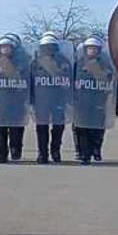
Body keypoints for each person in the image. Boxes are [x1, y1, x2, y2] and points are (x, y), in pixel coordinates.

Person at [31, 32, 73, 164]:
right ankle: (42, 153)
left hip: (58, 99)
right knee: (41, 127)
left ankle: (55, 151)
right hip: (41, 100)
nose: (48, 49)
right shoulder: (35, 63)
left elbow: (68, 80)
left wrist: (68, 98)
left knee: (58, 126)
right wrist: (31, 99)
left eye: (51, 46)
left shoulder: (64, 62)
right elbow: (30, 82)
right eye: (46, 46)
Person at [0, 34, 31, 163]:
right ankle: (2, 152)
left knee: (16, 127)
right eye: (3, 47)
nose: (5, 49)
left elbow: (27, 80)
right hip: (0, 100)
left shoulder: (22, 62)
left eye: (8, 47)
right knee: (0, 128)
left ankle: (16, 148)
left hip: (17, 99)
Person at [72, 36, 114, 165]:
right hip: (82, 102)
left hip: (98, 101)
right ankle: (85, 155)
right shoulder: (78, 63)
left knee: (97, 129)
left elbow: (108, 80)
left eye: (94, 49)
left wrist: (96, 69)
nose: (92, 51)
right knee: (82, 129)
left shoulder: (105, 64)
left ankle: (96, 149)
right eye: (89, 48)